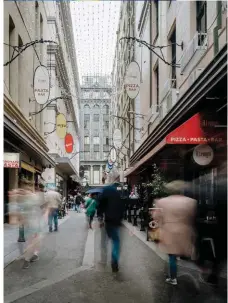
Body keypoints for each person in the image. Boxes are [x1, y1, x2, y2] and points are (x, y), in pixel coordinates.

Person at [154, 180, 197, 285]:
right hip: (184, 230)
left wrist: (160, 226)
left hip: (169, 230)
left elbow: (156, 217)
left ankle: (173, 277)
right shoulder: (191, 202)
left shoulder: (162, 202)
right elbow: (192, 217)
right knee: (181, 253)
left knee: (171, 256)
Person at [97, 172, 125, 273]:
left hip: (107, 220)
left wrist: (100, 218)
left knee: (104, 240)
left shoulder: (107, 190)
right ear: (117, 178)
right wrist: (121, 218)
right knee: (116, 241)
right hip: (116, 221)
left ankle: (103, 260)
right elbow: (123, 206)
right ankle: (114, 260)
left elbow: (100, 204)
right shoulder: (120, 191)